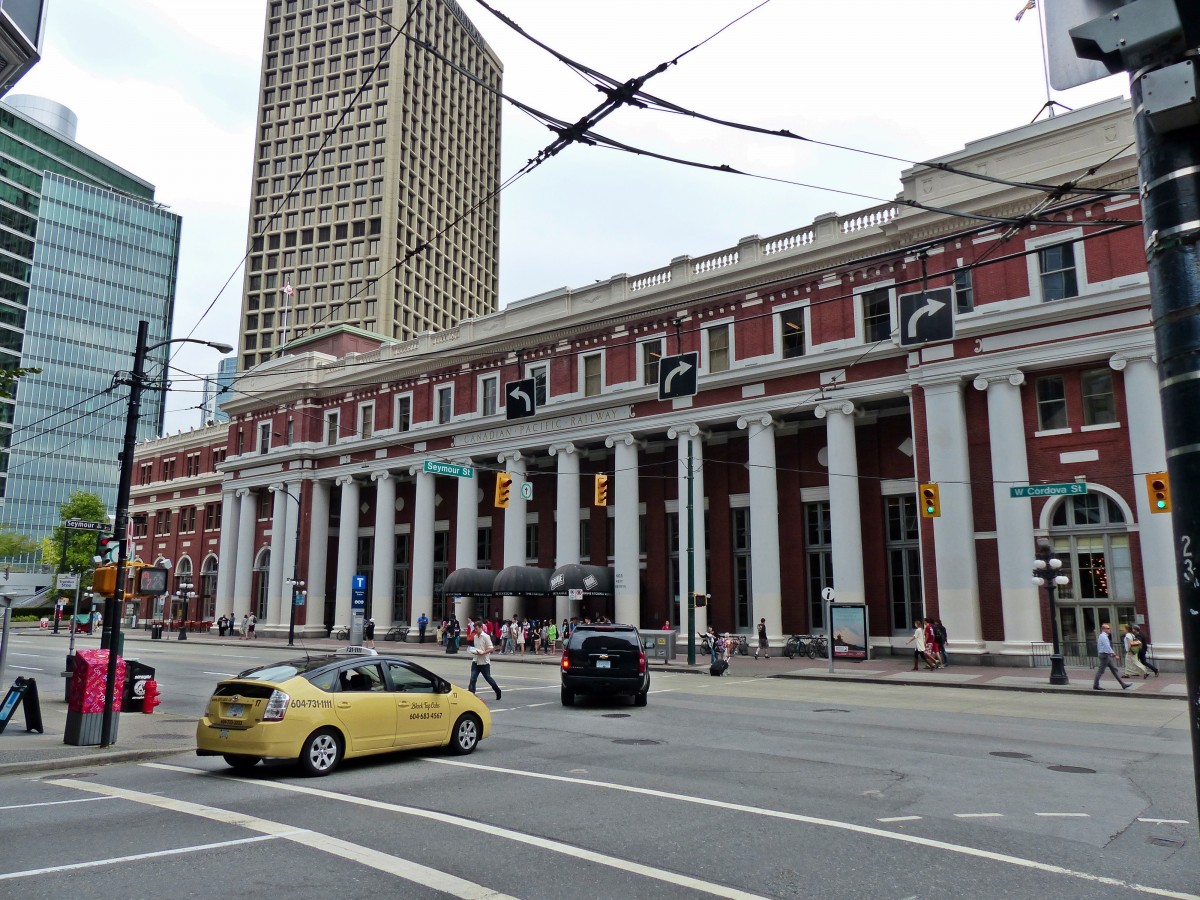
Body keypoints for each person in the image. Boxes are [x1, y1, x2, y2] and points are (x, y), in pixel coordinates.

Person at [467, 622, 502, 700]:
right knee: (473, 678)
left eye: (476, 629)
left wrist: (483, 652)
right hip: (476, 660)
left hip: (484, 662)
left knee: (488, 678)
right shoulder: (475, 636)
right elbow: (476, 647)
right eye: (474, 629)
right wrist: (473, 651)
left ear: (480, 627)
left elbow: (490, 648)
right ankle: (471, 695)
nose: (475, 630)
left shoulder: (486, 636)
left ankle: (497, 691)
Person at [1094, 623, 1132, 690]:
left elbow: (1106, 647)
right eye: (1108, 628)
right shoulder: (1103, 636)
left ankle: (1123, 684)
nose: (1109, 629)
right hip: (1104, 655)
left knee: (1114, 669)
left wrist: (1111, 654)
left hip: (1106, 655)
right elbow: (1107, 646)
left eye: (1109, 628)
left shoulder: (1104, 636)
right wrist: (1114, 654)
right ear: (1103, 629)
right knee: (1101, 671)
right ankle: (1096, 685)